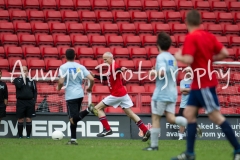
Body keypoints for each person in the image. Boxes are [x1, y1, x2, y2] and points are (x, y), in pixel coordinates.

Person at [172, 10, 240, 160]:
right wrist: (209, 58)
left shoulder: (191, 37)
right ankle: (189, 153)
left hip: (204, 84)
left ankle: (238, 149)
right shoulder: (208, 36)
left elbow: (188, 59)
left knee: (216, 117)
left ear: (186, 22)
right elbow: (224, 52)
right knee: (189, 114)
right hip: (197, 84)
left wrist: (178, 56)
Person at [88, 52, 150, 142]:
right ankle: (145, 130)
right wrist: (95, 76)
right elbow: (107, 77)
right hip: (122, 94)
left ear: (110, 58)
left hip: (116, 94)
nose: (104, 61)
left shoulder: (114, 66)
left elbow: (118, 69)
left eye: (105, 59)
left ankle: (107, 129)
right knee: (130, 114)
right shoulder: (111, 67)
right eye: (103, 59)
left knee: (97, 109)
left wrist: (121, 69)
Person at [142, 32, 187, 151]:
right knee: (171, 118)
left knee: (156, 118)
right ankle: (190, 123)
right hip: (172, 92)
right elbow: (174, 74)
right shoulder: (173, 58)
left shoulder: (161, 57)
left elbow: (162, 72)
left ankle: (154, 146)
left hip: (161, 93)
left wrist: (153, 73)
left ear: (158, 45)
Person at [57, 49, 94, 145]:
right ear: (75, 56)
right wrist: (89, 88)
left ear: (65, 57)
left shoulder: (63, 67)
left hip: (70, 95)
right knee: (74, 117)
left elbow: (61, 81)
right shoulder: (80, 67)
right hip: (80, 94)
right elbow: (91, 78)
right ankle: (73, 139)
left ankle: (88, 110)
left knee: (72, 118)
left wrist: (58, 87)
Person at [13, 66, 37, 139]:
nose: (24, 72)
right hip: (21, 102)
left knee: (28, 119)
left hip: (30, 102)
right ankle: (20, 136)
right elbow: (19, 86)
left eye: (25, 70)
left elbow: (35, 91)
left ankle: (28, 136)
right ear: (21, 72)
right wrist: (23, 78)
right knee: (20, 119)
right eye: (23, 71)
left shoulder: (32, 80)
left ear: (27, 71)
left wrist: (34, 101)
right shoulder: (17, 80)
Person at [178, 69, 202, 140]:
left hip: (192, 105)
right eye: (187, 71)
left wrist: (186, 90)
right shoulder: (182, 81)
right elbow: (182, 91)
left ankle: (192, 136)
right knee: (182, 122)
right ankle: (180, 137)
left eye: (189, 71)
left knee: (192, 121)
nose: (188, 73)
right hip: (183, 105)